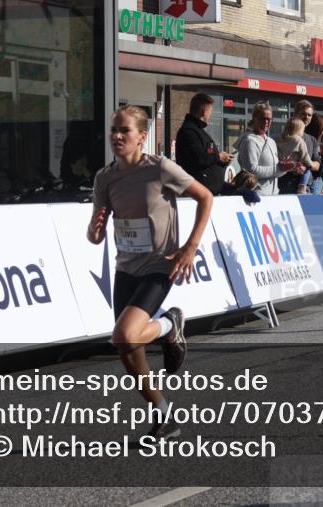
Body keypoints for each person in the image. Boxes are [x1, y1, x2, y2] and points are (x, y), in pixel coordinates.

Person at [87, 105, 213, 442]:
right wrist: (94, 227)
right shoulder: (105, 177)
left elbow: (206, 197)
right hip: (125, 268)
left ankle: (170, 323)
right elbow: (95, 235)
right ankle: (165, 418)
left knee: (123, 336)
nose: (116, 136)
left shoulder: (160, 169)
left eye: (124, 130)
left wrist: (191, 246)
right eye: (114, 129)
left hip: (160, 264)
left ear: (142, 136)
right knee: (129, 351)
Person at [235, 103, 301, 195]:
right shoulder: (249, 140)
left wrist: (288, 168)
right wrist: (278, 168)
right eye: (263, 118)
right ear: (254, 118)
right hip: (256, 195)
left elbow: (276, 172)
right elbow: (251, 170)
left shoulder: (271, 141)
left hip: (273, 195)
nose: (266, 122)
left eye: (269, 119)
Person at [175, 93, 234, 195]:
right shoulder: (189, 131)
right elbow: (198, 158)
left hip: (207, 191)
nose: (210, 114)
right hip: (198, 194)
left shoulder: (198, 131)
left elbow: (206, 156)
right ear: (204, 112)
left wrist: (222, 160)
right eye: (210, 111)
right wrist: (218, 157)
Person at [276, 117, 314, 194]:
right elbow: (305, 155)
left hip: (281, 168)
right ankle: (302, 186)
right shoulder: (299, 140)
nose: (303, 133)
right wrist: (309, 165)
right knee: (307, 171)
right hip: (295, 167)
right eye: (303, 130)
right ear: (298, 130)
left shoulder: (278, 138)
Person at [293, 101, 323, 194]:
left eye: (309, 115)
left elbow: (317, 165)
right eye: (303, 114)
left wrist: (306, 165)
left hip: (307, 188)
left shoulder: (312, 139)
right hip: (287, 187)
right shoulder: (284, 137)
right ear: (295, 114)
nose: (306, 117)